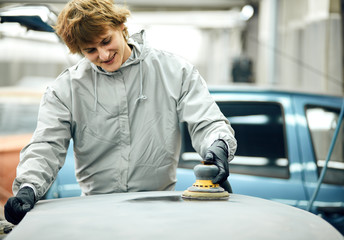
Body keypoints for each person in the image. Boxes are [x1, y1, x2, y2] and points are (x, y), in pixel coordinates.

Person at [4, 0, 237, 225]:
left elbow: (206, 121)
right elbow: (47, 145)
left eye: (106, 41)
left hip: (159, 212)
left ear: (121, 26)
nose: (104, 55)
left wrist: (218, 145)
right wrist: (28, 188)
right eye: (91, 50)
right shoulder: (66, 90)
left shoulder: (175, 72)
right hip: (95, 214)